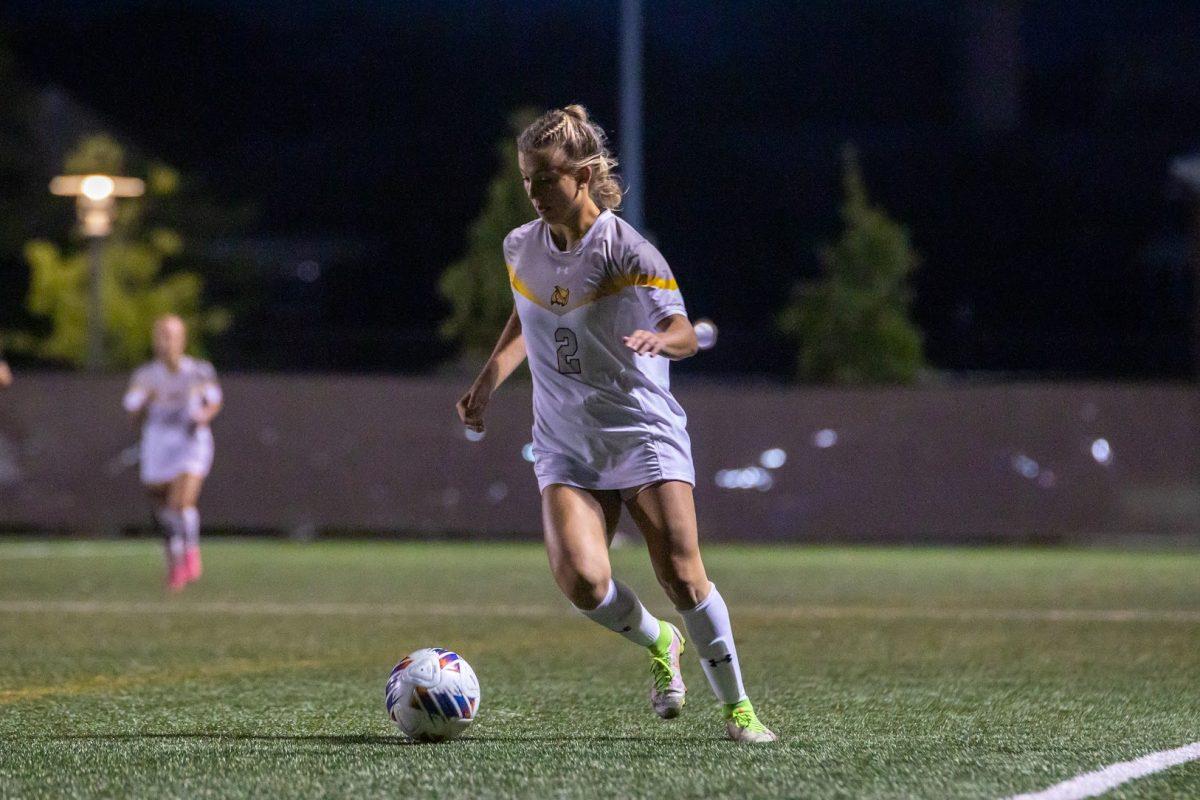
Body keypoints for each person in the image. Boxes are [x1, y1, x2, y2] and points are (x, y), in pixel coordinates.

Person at [456, 105, 776, 743]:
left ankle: (739, 710)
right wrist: (489, 379)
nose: (535, 193)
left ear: (582, 174)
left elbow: (682, 329)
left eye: (546, 179)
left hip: (640, 432)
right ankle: (660, 642)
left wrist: (666, 343)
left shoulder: (625, 248)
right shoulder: (520, 246)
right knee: (581, 582)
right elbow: (528, 313)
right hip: (565, 442)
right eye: (527, 181)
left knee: (683, 576)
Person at [122, 315, 222, 592]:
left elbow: (214, 401)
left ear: (182, 339)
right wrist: (142, 405)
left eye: (170, 335)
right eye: (160, 335)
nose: (165, 342)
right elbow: (132, 406)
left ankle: (191, 551)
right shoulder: (146, 375)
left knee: (181, 502)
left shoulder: (198, 371)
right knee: (164, 510)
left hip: (190, 442)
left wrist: (202, 416)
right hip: (158, 444)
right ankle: (175, 564)